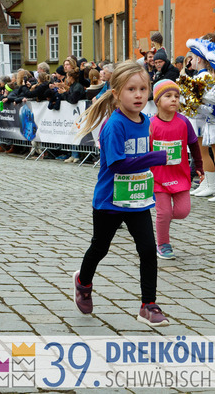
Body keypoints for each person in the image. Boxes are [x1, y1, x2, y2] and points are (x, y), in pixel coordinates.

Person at [72, 60, 170, 327]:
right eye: (131, 89)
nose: (138, 95)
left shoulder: (145, 121)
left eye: (143, 89)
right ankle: (83, 282)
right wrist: (155, 158)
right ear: (116, 93)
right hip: (110, 200)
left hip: (137, 198)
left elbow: (143, 158)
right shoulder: (115, 125)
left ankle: (148, 305)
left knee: (148, 250)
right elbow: (117, 164)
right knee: (99, 248)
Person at [149, 80, 204, 260]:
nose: (174, 99)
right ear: (157, 101)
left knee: (182, 211)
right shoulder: (150, 124)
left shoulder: (183, 122)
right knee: (164, 212)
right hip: (158, 177)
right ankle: (163, 244)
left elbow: (194, 144)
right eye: (168, 96)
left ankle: (162, 222)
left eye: (177, 96)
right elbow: (145, 150)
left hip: (180, 175)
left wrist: (199, 166)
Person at [186, 38, 215, 199]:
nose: (190, 61)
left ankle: (210, 184)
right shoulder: (199, 75)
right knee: (200, 154)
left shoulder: (204, 76)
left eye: (192, 58)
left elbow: (203, 99)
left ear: (199, 59)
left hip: (201, 118)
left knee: (203, 154)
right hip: (198, 117)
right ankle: (205, 182)